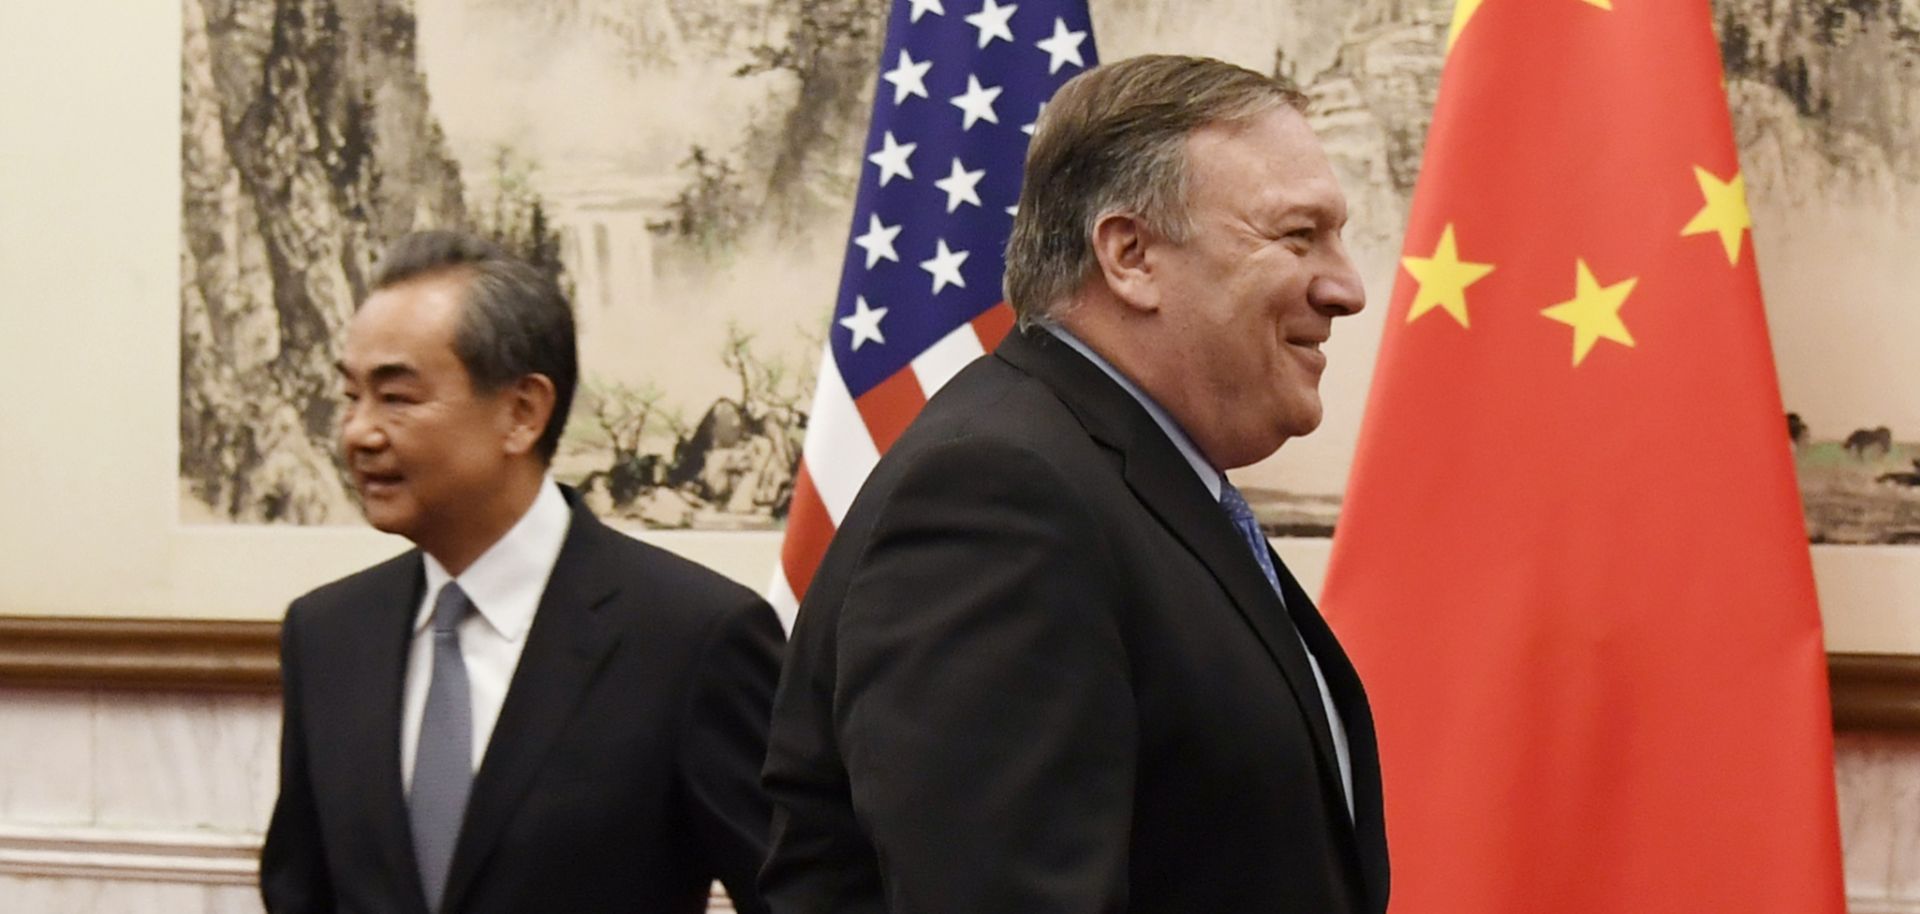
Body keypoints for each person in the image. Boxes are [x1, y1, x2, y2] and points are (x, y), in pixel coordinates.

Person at [760, 55, 1387, 913]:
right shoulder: (998, 500)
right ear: (1130, 255)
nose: (1346, 287)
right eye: (1297, 235)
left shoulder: (1121, 479)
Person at [260, 230, 782, 914]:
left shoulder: (692, 637)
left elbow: (797, 898)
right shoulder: (327, 634)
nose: (358, 431)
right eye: (350, 396)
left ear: (522, 412)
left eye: (397, 397)